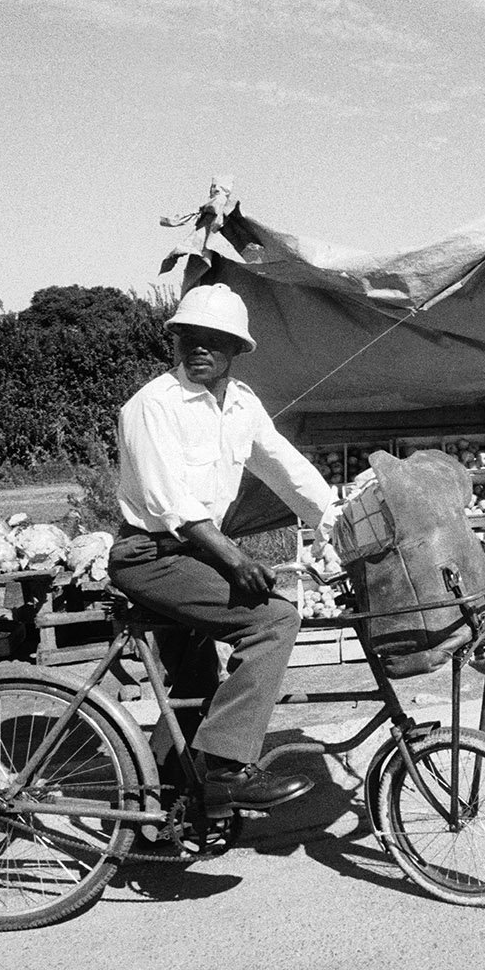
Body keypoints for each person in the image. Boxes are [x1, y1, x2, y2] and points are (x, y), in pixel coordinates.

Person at [107, 283, 339, 813]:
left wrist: (334, 520)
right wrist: (236, 560)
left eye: (216, 340)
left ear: (237, 350)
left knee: (195, 688)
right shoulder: (151, 406)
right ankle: (229, 769)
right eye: (189, 337)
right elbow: (175, 507)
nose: (200, 348)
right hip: (152, 555)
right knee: (274, 621)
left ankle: (166, 802)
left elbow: (284, 466)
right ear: (175, 340)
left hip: (194, 554)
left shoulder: (241, 404)